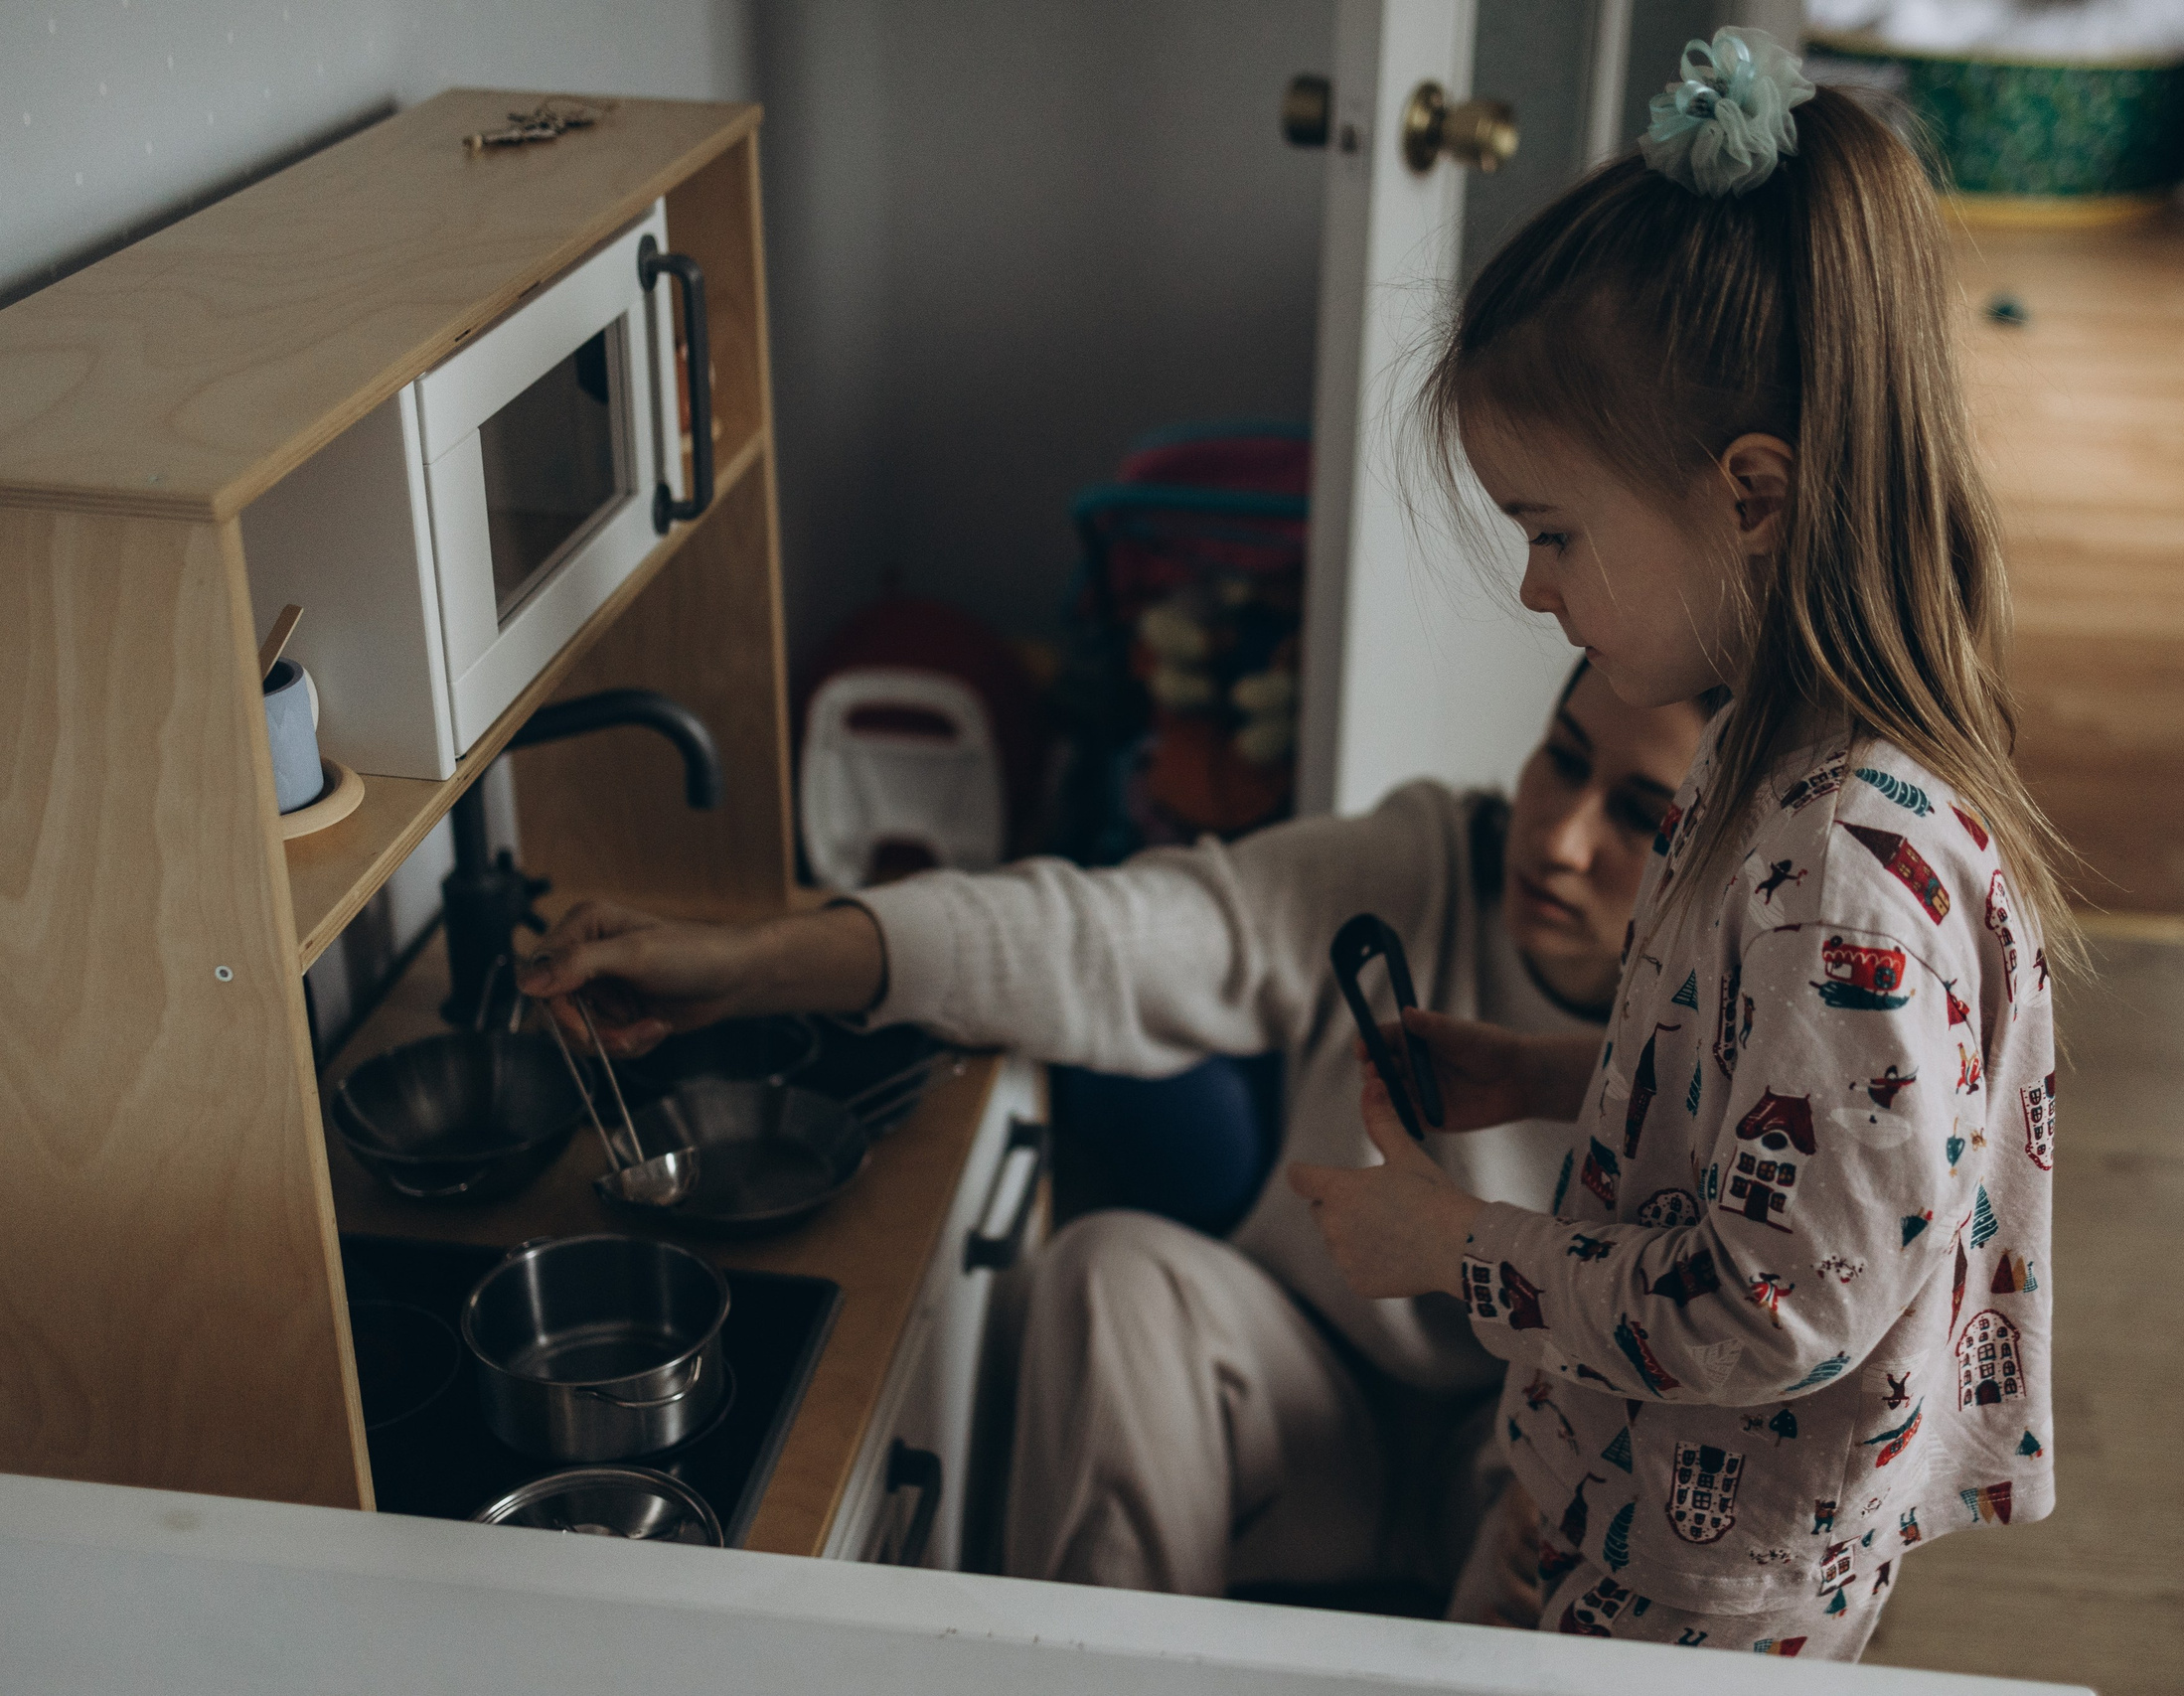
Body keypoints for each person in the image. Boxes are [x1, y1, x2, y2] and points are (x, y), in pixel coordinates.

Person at [1282, 30, 2077, 1660]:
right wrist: (1537, 1068)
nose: (1534, 587)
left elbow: (1779, 1304)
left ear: (1753, 495)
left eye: (1553, 531)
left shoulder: (1841, 863)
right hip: (1645, 1496)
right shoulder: (1775, 757)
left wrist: (1460, 1251)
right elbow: (1784, 1103)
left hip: (1709, 1576)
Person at [517, 661, 1708, 1600]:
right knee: (1107, 1272)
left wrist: (1564, 1490)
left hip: (1520, 1456)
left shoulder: (1753, 1047)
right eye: (1560, 762)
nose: (1556, 837)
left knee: (1587, 1526)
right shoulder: (1429, 864)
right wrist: (747, 968)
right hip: (1304, 1400)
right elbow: (1115, 933)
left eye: (1641, 816)